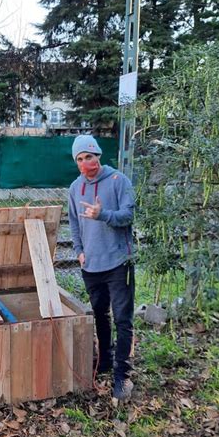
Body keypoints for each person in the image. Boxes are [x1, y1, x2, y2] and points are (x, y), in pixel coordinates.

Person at [68, 134, 135, 401]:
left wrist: (103, 214)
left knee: (123, 319)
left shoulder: (119, 181)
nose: (86, 163)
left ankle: (123, 376)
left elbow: (128, 216)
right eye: (81, 159)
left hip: (119, 263)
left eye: (90, 157)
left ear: (98, 155)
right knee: (100, 317)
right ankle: (105, 361)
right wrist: (79, 252)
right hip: (91, 265)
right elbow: (73, 222)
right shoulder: (75, 187)